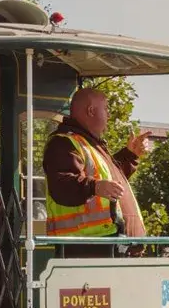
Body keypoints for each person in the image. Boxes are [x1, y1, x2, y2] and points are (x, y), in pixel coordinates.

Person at [43, 87, 154, 239]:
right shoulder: (63, 143)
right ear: (91, 111)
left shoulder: (88, 143)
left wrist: (131, 155)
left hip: (108, 244)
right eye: (106, 108)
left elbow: (110, 182)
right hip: (88, 246)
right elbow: (61, 186)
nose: (109, 114)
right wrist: (95, 186)